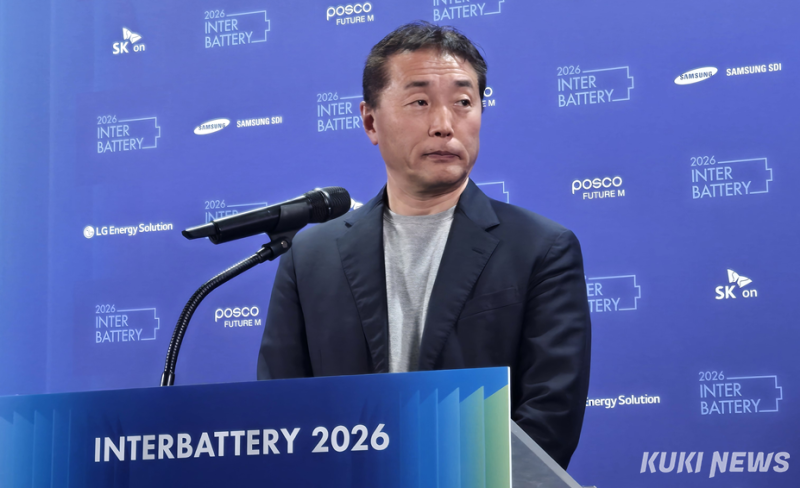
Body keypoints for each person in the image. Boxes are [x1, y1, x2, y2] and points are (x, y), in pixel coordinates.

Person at [257, 21, 591, 469]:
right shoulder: (312, 255)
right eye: (420, 102)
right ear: (370, 121)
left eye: (463, 103)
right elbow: (281, 415)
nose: (444, 125)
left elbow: (550, 419)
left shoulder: (541, 249)